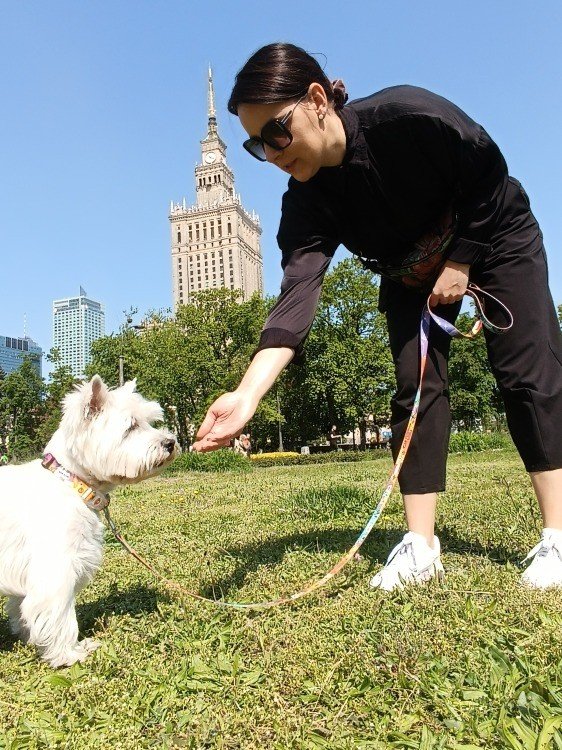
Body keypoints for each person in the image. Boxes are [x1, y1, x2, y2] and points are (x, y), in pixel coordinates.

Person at [193, 42, 562, 591]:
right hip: (411, 270)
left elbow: (488, 168)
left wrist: (462, 259)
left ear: (317, 100)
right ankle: (421, 544)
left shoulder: (407, 117)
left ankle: (557, 533)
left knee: (525, 372)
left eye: (276, 131)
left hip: (494, 233)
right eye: (255, 145)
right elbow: (297, 296)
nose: (271, 153)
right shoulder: (306, 202)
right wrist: (247, 395)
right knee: (415, 388)